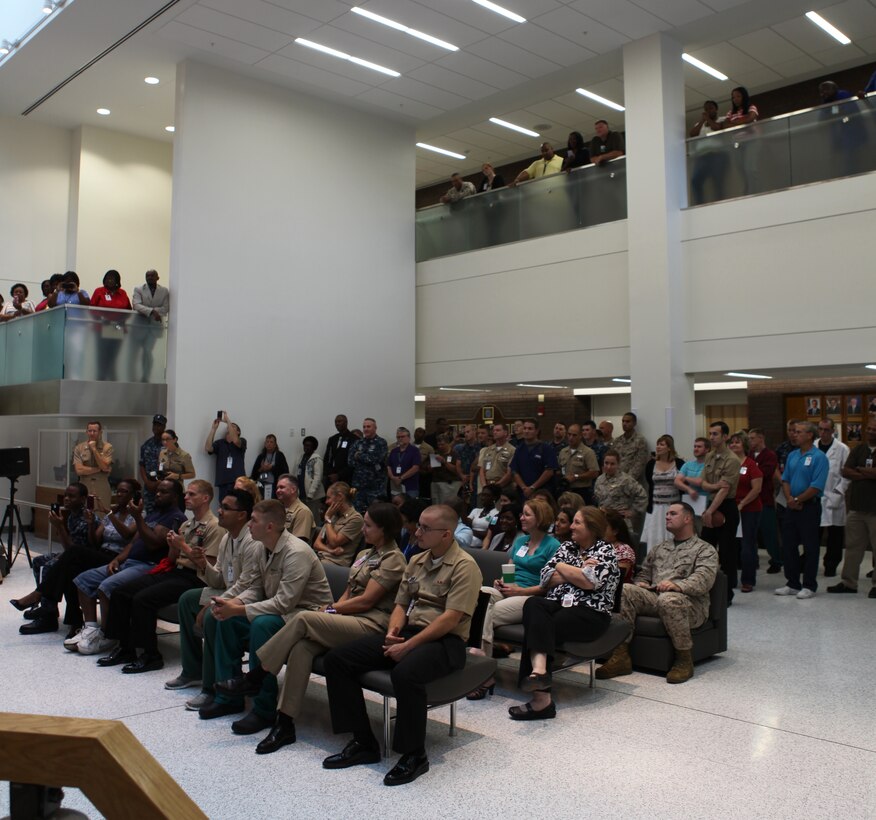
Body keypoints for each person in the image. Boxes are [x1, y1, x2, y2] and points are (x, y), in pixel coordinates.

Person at [217, 503, 407, 754]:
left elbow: (366, 601)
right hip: (348, 621)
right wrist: (332, 609)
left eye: (369, 525)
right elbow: (349, 592)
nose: (363, 529)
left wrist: (329, 611)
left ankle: (256, 676)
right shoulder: (366, 555)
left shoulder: (394, 559)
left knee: (304, 618)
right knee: (302, 648)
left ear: (384, 530)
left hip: (371, 624)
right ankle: (285, 724)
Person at [320, 504, 480, 786]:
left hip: (446, 643)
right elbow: (401, 603)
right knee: (338, 660)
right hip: (409, 633)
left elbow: (451, 619)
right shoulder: (417, 561)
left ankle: (414, 754)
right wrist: (394, 631)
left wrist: (407, 646)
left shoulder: (465, 566)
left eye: (424, 528)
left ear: (445, 534)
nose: (416, 532)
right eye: (418, 525)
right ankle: (363, 742)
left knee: (405, 673)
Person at [197, 499, 332, 735]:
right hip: (282, 611)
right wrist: (232, 603)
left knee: (262, 625)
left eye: (254, 520)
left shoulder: (296, 551)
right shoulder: (262, 546)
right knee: (225, 619)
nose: (249, 525)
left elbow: (284, 603)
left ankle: (264, 709)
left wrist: (238, 609)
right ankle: (229, 697)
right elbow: (254, 586)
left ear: (270, 526)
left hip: (307, 616)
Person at [97, 480, 224, 672]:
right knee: (121, 591)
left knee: (143, 599)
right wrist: (173, 547)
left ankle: (151, 656)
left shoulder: (214, 527)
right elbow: (173, 559)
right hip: (175, 571)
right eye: (186, 494)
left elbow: (209, 567)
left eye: (192, 494)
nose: (186, 497)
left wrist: (182, 546)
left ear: (205, 498)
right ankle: (125, 647)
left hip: (195, 578)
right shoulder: (187, 524)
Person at [511, 507, 620, 719]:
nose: (571, 526)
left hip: (590, 612)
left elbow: (590, 583)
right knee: (533, 604)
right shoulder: (568, 547)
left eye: (577, 523)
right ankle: (540, 671)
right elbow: (545, 577)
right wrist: (578, 569)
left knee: (542, 624)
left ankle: (541, 700)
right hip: (559, 603)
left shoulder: (606, 551)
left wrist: (561, 567)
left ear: (591, 527)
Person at [597, 503, 718, 684]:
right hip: (656, 597)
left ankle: (684, 660)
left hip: (690, 604)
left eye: (673, 514)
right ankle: (621, 656)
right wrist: (642, 582)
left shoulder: (704, 549)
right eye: (667, 513)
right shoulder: (660, 548)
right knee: (624, 589)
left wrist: (677, 586)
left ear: (688, 519)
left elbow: (704, 579)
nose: (667, 517)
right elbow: (644, 572)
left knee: (670, 600)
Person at [164, 489, 257, 706]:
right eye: (221, 506)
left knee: (212, 615)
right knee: (188, 599)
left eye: (225, 508)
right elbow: (219, 580)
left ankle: (211, 687)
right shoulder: (227, 538)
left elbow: (248, 587)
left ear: (242, 515)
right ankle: (192, 670)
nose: (220, 511)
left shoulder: (253, 541)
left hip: (247, 598)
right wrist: (203, 563)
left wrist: (214, 603)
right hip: (230, 591)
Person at [73, 479, 186, 655]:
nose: (157, 494)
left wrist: (138, 517)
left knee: (107, 587)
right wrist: (117, 559)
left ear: (175, 497)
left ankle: (108, 635)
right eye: (157, 491)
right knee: (83, 580)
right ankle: (91, 628)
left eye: (163, 492)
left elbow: (154, 543)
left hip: (148, 565)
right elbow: (133, 542)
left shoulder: (176, 517)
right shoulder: (153, 514)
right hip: (129, 561)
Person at [468, 497, 560, 699]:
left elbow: (549, 586)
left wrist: (520, 591)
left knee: (488, 613)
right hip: (509, 590)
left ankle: (484, 671)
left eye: (527, 514)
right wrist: (502, 582)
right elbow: (510, 569)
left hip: (530, 596)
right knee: (481, 595)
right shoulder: (520, 541)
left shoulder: (553, 546)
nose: (522, 518)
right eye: (522, 513)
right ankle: (482, 663)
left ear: (540, 518)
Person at [13, 482, 92, 635]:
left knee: (50, 566)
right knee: (38, 561)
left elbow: (74, 551)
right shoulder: (72, 516)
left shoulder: (85, 518)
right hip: (70, 554)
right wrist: (60, 526)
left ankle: (47, 616)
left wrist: (59, 526)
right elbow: (67, 547)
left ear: (83, 499)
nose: (67, 499)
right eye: (66, 495)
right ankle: (48, 607)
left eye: (72, 496)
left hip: (82, 559)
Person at [775, 421, 829, 599]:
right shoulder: (792, 455)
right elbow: (785, 479)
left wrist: (798, 499)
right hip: (791, 506)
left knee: (810, 546)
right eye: (794, 432)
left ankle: (809, 585)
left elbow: (817, 485)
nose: (794, 435)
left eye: (798, 432)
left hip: (809, 507)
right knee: (789, 545)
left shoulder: (819, 457)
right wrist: (790, 499)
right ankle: (792, 583)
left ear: (810, 435)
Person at [831, 416, 876, 597]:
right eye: (869, 428)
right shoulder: (859, 449)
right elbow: (846, 470)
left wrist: (860, 470)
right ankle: (849, 582)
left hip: (875, 510)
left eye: (875, 429)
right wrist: (868, 473)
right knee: (852, 547)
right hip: (856, 509)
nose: (871, 432)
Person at [700, 421, 741, 602]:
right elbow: (703, 483)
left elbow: (724, 490)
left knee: (726, 552)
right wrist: (714, 485)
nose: (711, 437)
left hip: (726, 506)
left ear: (725, 437)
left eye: (715, 434)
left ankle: (727, 594)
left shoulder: (732, 459)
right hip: (710, 504)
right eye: (710, 433)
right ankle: (706, 590)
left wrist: (710, 510)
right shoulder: (709, 456)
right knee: (706, 550)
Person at [728, 432, 763, 593]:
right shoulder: (728, 463)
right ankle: (731, 580)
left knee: (747, 545)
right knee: (731, 546)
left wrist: (741, 504)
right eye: (732, 443)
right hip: (731, 508)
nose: (734, 445)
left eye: (737, 442)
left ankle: (748, 580)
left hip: (749, 509)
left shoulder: (751, 464)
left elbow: (756, 489)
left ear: (744, 446)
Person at [814, 418, 849, 577]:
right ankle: (810, 563)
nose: (823, 433)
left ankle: (831, 565)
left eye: (826, 430)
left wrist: (838, 492)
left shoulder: (842, 449)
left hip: (834, 497)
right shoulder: (812, 446)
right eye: (820, 429)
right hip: (814, 496)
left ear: (833, 430)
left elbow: (847, 474)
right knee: (813, 534)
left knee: (835, 535)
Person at [642, 435, 685, 551]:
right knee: (655, 538)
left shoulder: (679, 463)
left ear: (669, 447)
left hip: (674, 506)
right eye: (657, 444)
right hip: (656, 507)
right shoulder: (651, 464)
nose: (658, 447)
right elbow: (649, 483)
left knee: (674, 538)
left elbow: (683, 483)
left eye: (662, 444)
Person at [748, 428, 780, 574]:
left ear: (761, 438)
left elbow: (764, 473)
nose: (750, 441)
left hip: (764, 499)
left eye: (752, 438)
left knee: (770, 533)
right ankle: (751, 560)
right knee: (750, 534)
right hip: (749, 500)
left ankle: (777, 560)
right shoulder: (748, 455)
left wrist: (752, 470)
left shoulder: (770, 455)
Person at [311, 482, 365, 566]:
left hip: (335, 564)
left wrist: (328, 519)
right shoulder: (333, 515)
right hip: (320, 558)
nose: (326, 502)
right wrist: (330, 551)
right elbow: (316, 544)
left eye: (329, 498)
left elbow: (334, 542)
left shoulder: (355, 519)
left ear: (339, 497)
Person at [131, 269, 169, 382]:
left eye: (152, 276)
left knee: (147, 350)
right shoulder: (138, 289)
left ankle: (146, 376)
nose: (150, 278)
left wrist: (148, 310)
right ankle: (133, 376)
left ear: (158, 277)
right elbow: (136, 305)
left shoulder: (164, 291)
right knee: (135, 353)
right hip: (139, 325)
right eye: (147, 276)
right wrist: (152, 312)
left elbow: (166, 309)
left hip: (154, 327)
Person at [593, 449, 647, 528]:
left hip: (620, 521)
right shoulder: (599, 480)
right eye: (606, 463)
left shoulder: (625, 480)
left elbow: (642, 495)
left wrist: (633, 511)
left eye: (612, 464)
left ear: (618, 464)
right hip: (603, 521)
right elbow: (598, 499)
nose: (609, 467)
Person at [688, 100, 727, 204]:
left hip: (717, 155)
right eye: (706, 109)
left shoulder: (722, 119)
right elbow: (692, 134)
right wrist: (702, 121)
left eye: (710, 108)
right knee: (695, 180)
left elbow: (717, 128)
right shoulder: (700, 124)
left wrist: (708, 119)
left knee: (717, 180)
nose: (708, 111)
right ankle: (700, 204)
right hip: (702, 156)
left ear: (716, 109)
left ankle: (719, 203)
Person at [510, 418, 558, 500]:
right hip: (523, 493)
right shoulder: (519, 449)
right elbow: (514, 471)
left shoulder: (546, 448)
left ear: (537, 431)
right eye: (525, 428)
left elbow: (549, 471)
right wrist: (524, 488)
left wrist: (532, 487)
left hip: (541, 492)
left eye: (530, 429)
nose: (526, 431)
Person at [348, 418, 388, 512]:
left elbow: (376, 459)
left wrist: (359, 455)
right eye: (364, 427)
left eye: (368, 426)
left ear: (375, 428)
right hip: (358, 486)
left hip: (375, 487)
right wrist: (367, 459)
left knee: (376, 514)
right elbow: (350, 461)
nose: (366, 429)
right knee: (356, 513)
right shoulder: (358, 442)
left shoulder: (381, 442)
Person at [205, 411, 247, 500]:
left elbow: (235, 441)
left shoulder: (242, 441)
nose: (230, 427)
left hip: (238, 481)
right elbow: (208, 448)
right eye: (229, 427)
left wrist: (228, 420)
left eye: (233, 427)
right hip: (223, 481)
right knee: (224, 506)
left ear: (238, 432)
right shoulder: (220, 443)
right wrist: (213, 429)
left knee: (238, 505)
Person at [72, 420, 114, 509]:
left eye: (94, 431)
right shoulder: (79, 448)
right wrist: (99, 469)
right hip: (85, 486)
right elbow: (79, 470)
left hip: (101, 486)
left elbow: (104, 466)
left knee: (102, 514)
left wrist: (94, 449)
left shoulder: (107, 447)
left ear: (100, 432)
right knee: (85, 514)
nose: (92, 433)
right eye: (89, 431)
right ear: (86, 432)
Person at [558, 423, 600, 504]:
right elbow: (559, 469)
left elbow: (594, 472)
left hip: (581, 491)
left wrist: (576, 477)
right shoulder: (563, 451)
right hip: (565, 490)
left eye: (574, 435)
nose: (571, 438)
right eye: (569, 434)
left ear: (580, 436)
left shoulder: (588, 452)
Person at [674, 436, 709, 526]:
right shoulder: (688, 464)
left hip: (706, 504)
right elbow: (676, 481)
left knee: (703, 533)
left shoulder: (710, 465)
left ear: (707, 449)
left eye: (699, 447)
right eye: (695, 446)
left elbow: (699, 482)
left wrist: (686, 478)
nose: (696, 449)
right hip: (690, 503)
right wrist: (688, 489)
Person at [139, 414, 167, 514]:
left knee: (164, 515)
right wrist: (147, 482)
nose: (156, 427)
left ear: (164, 427)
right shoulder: (146, 445)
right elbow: (142, 465)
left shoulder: (169, 445)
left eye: (159, 425)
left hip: (165, 487)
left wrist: (160, 482)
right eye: (154, 424)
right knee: (149, 516)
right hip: (149, 487)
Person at [275, 474, 315, 545]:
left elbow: (298, 543)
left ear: (293, 489)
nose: (278, 491)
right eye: (277, 488)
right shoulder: (278, 508)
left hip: (293, 553)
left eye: (281, 487)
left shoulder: (303, 511)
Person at [249, 434, 289, 500]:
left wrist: (271, 468)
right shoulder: (261, 456)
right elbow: (254, 474)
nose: (269, 444)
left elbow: (285, 471)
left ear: (275, 444)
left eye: (271, 442)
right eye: (267, 442)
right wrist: (261, 469)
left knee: (271, 505)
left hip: (274, 485)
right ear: (265, 444)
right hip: (261, 484)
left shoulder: (279, 455)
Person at [612, 412, 649, 484]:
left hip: (632, 482)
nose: (624, 424)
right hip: (616, 479)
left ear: (634, 423)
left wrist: (626, 480)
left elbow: (640, 463)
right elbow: (613, 459)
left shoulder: (640, 440)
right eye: (623, 421)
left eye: (628, 421)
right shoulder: (617, 440)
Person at [602, 508, 637, 582]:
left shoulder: (624, 551)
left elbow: (615, 580)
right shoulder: (594, 545)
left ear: (615, 531)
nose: (598, 530)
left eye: (603, 527)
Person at [478, 422, 515, 489]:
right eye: (494, 430)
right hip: (487, 485)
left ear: (505, 433)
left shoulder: (512, 450)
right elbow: (482, 469)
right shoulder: (488, 449)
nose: (495, 432)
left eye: (498, 430)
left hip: (503, 486)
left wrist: (496, 487)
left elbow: (509, 473)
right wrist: (484, 486)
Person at [387, 427, 420, 501]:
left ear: (409, 438)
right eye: (398, 437)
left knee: (410, 508)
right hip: (395, 485)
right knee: (396, 508)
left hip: (410, 486)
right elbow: (388, 466)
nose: (400, 439)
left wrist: (401, 478)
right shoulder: (394, 451)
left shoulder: (414, 451)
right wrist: (392, 477)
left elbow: (415, 468)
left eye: (403, 437)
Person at [324, 414, 357, 487]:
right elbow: (327, 458)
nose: (337, 423)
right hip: (331, 478)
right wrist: (328, 473)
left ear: (346, 423)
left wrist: (339, 475)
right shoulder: (332, 439)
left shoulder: (354, 439)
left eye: (339, 421)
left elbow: (353, 462)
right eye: (335, 422)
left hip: (346, 478)